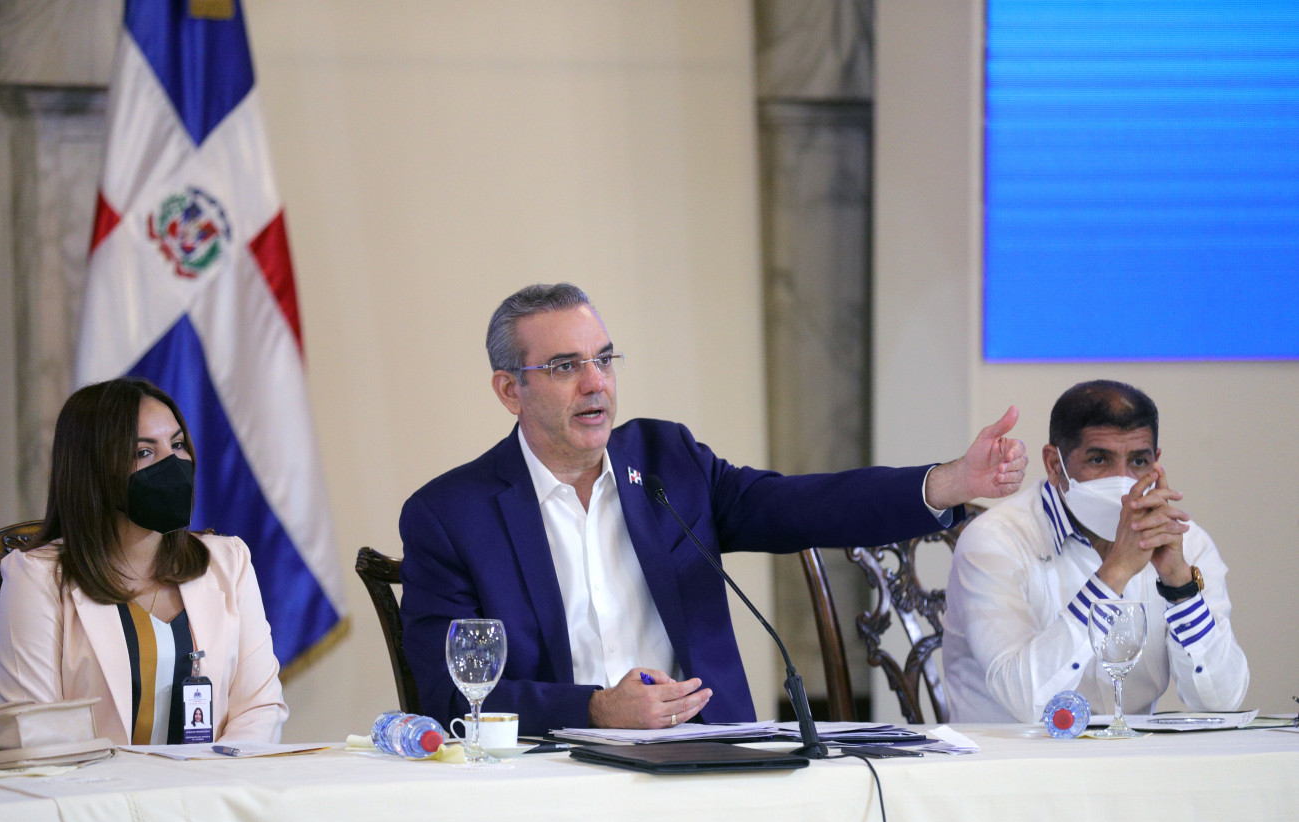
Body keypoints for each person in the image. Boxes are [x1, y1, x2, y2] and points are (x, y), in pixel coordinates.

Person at [400, 283, 1028, 735]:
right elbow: (449, 695)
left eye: (604, 359)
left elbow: (799, 506)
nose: (596, 383)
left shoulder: (666, 462)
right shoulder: (451, 516)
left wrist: (948, 482)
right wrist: (594, 709)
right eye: (566, 366)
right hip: (552, 779)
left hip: (705, 760)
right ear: (510, 390)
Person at [0, 378, 288, 745]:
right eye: (144, 452)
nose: (173, 463)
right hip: (98, 783)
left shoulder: (229, 561)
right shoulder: (37, 578)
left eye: (177, 444)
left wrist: (212, 778)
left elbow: (260, 708)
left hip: (214, 780)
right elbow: (35, 733)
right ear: (94, 469)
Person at [944, 380, 1249, 723]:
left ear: (1156, 465)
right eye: (1099, 459)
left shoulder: (1186, 544)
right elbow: (1027, 702)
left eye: (1138, 461)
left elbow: (1221, 703)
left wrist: (1180, 586)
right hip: (1010, 753)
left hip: (1131, 753)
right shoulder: (993, 542)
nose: (1122, 480)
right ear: (1054, 465)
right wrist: (1114, 572)